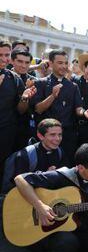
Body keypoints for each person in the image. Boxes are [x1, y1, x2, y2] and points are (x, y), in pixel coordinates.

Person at [32, 50, 88, 164]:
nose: (64, 66)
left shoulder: (73, 86)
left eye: (66, 63)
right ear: (51, 64)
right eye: (60, 63)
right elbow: (38, 109)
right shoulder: (40, 83)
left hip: (67, 137)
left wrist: (85, 113)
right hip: (46, 137)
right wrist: (52, 96)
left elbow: (78, 108)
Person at [0, 40, 36, 189]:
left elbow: (20, 110)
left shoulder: (14, 78)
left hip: (5, 135)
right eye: (0, 55)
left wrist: (24, 97)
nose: (4, 59)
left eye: (6, 55)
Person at [2, 119, 68, 193]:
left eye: (60, 135)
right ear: (40, 136)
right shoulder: (25, 155)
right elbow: (18, 183)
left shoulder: (60, 152)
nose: (58, 139)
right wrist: (46, 176)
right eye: (52, 135)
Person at [10, 49, 38, 149]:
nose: (23, 65)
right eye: (20, 61)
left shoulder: (34, 82)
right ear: (12, 61)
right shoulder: (3, 77)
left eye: (27, 62)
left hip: (24, 128)